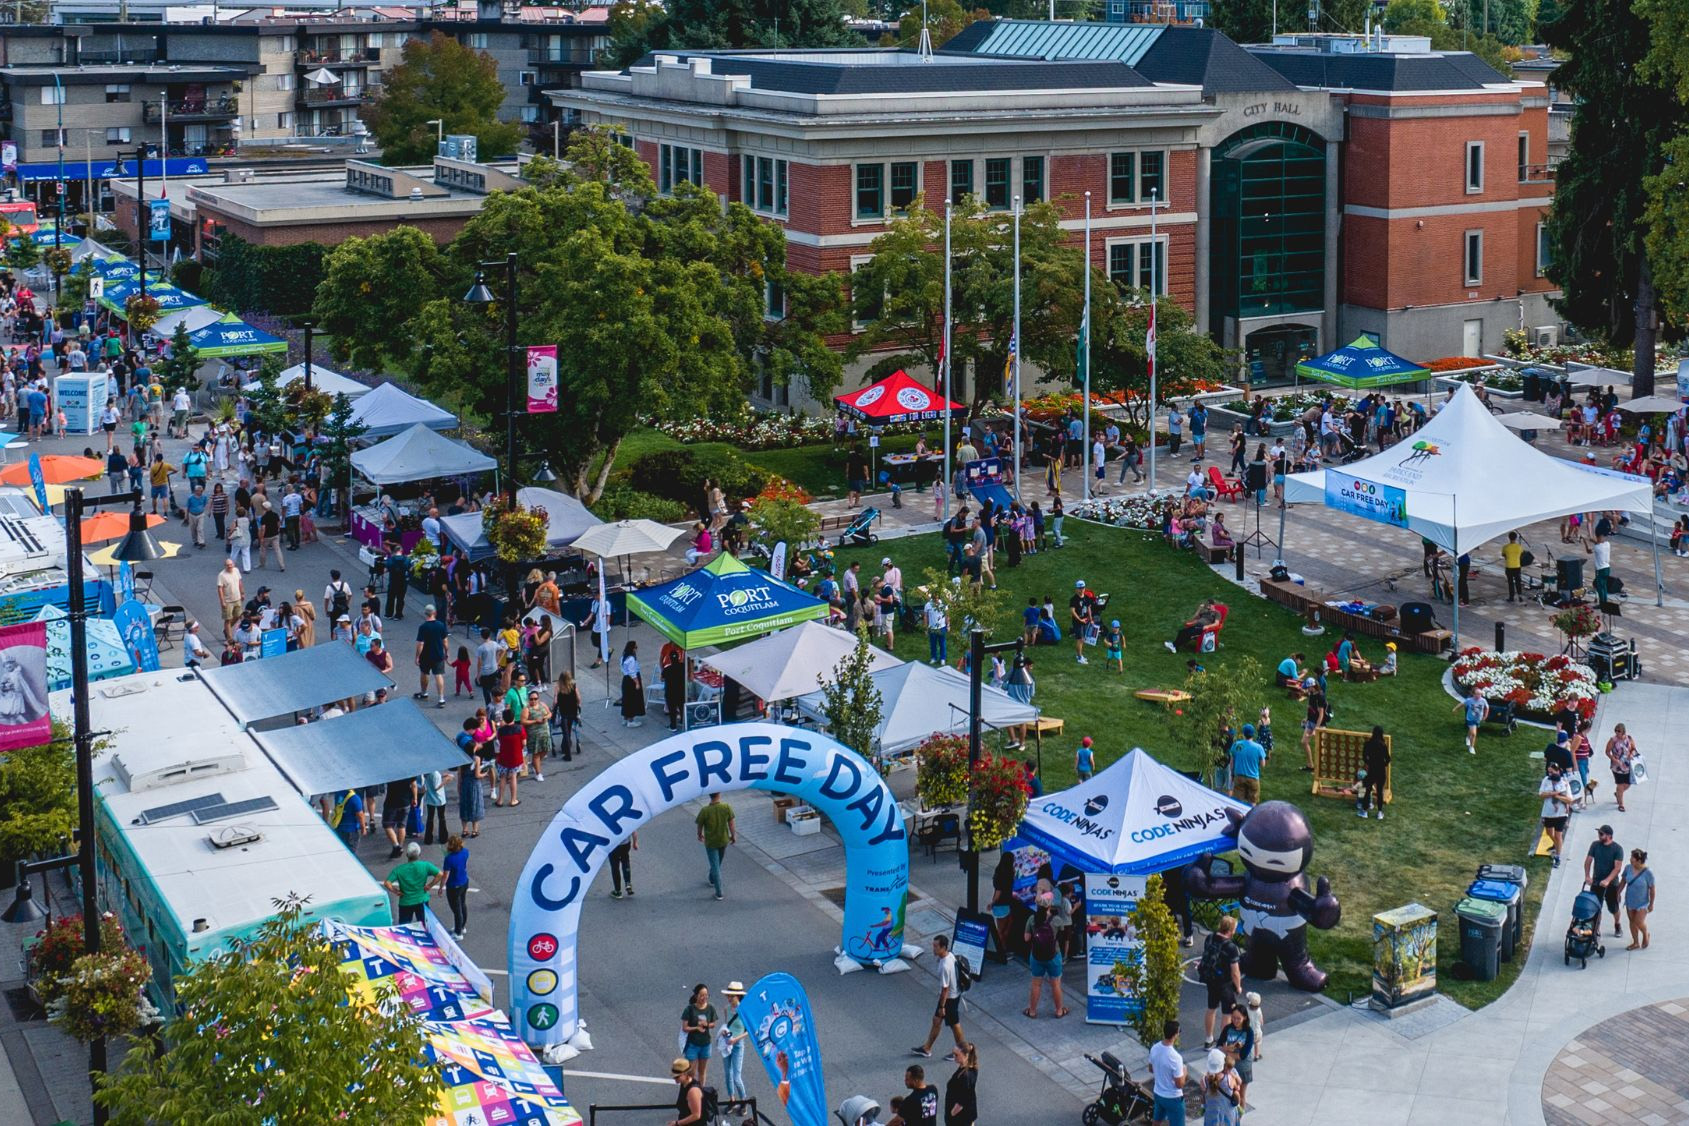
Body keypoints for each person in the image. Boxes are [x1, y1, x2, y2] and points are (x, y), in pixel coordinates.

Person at [912, 934, 965, 1057]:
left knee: (954, 1024)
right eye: (933, 945)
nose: (933, 949)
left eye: (936, 946)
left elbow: (945, 989)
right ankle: (927, 1048)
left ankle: (961, 1051)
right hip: (953, 995)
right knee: (937, 1021)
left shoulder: (944, 966)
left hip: (949, 999)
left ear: (943, 947)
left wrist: (942, 1007)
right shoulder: (949, 956)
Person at [1200, 916, 1243, 1048]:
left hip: (1210, 979)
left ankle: (1208, 1039)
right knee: (1227, 1013)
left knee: (1211, 1008)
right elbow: (1235, 972)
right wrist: (1238, 986)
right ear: (1230, 930)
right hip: (1225, 983)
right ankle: (1222, 1043)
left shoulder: (1210, 938)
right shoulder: (1231, 947)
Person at [1022, 903, 1068, 1018]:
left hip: (1036, 956)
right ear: (1049, 907)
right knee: (1056, 984)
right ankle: (1059, 1011)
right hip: (1054, 955)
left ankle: (1032, 1011)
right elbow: (1063, 936)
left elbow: (1026, 938)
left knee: (1036, 984)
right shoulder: (1057, 920)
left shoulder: (1032, 919)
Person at [381, 841, 440, 925]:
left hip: (406, 901)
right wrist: (430, 885)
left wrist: (396, 891)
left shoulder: (399, 869)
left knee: (405, 925)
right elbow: (440, 874)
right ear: (419, 854)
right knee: (424, 924)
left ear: (407, 855)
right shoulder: (425, 866)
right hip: (422, 899)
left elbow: (387, 883)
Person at [1584, 824, 1626, 940]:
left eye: (1601, 834)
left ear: (1609, 836)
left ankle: (1617, 924)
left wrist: (1608, 880)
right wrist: (1587, 876)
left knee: (1613, 908)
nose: (1599, 835)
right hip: (1597, 882)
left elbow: (1617, 868)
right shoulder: (1595, 845)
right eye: (1599, 833)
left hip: (1611, 884)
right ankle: (1596, 928)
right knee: (1596, 907)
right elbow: (1588, 860)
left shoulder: (1617, 849)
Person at [697, 791, 736, 901]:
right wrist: (733, 836)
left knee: (715, 865)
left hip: (711, 842)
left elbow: (700, 825)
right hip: (723, 840)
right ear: (719, 794)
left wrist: (699, 835)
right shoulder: (726, 807)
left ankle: (719, 893)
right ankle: (712, 879)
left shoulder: (705, 810)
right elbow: (731, 824)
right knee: (717, 863)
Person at [1215, 1004, 1254, 1113]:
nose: (1235, 1021)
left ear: (1245, 1017)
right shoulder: (1228, 1028)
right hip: (1228, 1067)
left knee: (1241, 1095)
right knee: (1228, 1093)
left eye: (1238, 1018)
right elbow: (1218, 1046)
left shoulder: (1249, 1032)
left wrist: (1226, 1051)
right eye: (1233, 1017)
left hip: (1243, 1068)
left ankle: (1238, 1119)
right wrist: (1228, 1049)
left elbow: (1242, 1055)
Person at [1149, 1020, 1187, 1126]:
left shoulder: (1154, 1048)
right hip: (1173, 1098)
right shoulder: (1176, 1057)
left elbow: (1151, 1069)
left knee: (1156, 1121)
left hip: (1158, 1093)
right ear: (1175, 1035)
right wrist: (1184, 1071)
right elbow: (1179, 1084)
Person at [718, 982, 750, 1104]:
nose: (729, 998)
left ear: (738, 996)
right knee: (727, 1074)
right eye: (728, 996)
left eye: (732, 996)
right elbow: (727, 1025)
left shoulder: (744, 1011)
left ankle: (743, 1101)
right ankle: (732, 1099)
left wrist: (736, 1039)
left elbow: (748, 1032)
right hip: (727, 1044)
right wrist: (725, 1033)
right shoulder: (726, 1009)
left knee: (736, 1077)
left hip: (737, 1045)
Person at [680, 984, 718, 1087]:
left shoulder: (710, 1008)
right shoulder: (690, 1009)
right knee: (691, 1072)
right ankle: (688, 1093)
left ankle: (701, 1093)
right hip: (692, 1044)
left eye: (706, 995)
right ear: (696, 996)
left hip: (705, 1044)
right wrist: (696, 1028)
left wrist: (707, 1025)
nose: (704, 998)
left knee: (702, 1071)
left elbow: (713, 1024)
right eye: (702, 995)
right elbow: (685, 1027)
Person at [455, 718, 486, 839]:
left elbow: (459, 775)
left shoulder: (462, 760)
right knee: (475, 804)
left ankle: (464, 829)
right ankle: (475, 830)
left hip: (464, 783)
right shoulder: (476, 759)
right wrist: (485, 774)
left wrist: (459, 786)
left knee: (465, 806)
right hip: (474, 783)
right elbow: (478, 775)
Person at [1619, 849, 1655, 950]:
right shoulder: (1628, 868)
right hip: (1630, 900)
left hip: (1642, 903)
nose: (1630, 860)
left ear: (1639, 861)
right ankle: (1635, 942)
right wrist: (1618, 893)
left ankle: (1645, 933)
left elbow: (1652, 889)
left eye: (1632, 858)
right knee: (1631, 921)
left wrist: (1651, 904)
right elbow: (1623, 882)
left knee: (1638, 922)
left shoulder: (1648, 873)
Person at [414, 605, 449, 708]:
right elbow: (445, 641)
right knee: (438, 675)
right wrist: (446, 652)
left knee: (424, 673)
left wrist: (417, 656)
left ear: (426, 614)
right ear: (435, 613)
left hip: (425, 655)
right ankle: (441, 698)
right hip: (438, 654)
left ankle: (424, 693)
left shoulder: (423, 627)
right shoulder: (441, 625)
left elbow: (420, 644)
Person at [1539, 763, 1573, 868]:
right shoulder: (1546, 780)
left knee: (1558, 835)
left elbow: (1569, 799)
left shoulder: (1564, 783)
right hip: (1548, 813)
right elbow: (1541, 794)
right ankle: (1558, 846)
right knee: (1549, 833)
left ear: (1558, 771)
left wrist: (1557, 796)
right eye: (1548, 772)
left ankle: (1557, 856)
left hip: (1561, 814)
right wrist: (1551, 794)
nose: (1549, 774)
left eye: (1552, 772)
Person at [493, 708, 525, 808]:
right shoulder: (520, 729)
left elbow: (499, 741)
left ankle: (500, 800)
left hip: (503, 757)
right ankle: (513, 799)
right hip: (515, 757)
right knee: (513, 777)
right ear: (513, 717)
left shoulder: (501, 731)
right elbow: (524, 743)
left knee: (502, 777)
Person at [1227, 724, 1266, 805]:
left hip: (1239, 777)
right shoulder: (1259, 748)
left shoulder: (1237, 745)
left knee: (1237, 802)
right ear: (1253, 734)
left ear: (1243, 733)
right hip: (1253, 778)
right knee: (1252, 803)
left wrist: (1232, 774)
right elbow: (1263, 764)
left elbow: (1231, 762)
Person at [441, 835, 470, 939]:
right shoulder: (465, 852)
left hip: (453, 886)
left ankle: (458, 933)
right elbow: (465, 865)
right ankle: (461, 926)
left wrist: (441, 887)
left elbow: (446, 875)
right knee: (462, 904)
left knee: (456, 909)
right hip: (464, 881)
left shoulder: (449, 859)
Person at [1202, 1048, 1241, 1126]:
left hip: (1211, 1117)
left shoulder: (1204, 1080)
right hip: (1228, 1117)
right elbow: (1238, 1089)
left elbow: (1204, 1098)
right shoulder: (1230, 1078)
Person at [1358, 725, 1390, 820]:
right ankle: (1380, 813)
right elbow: (1388, 759)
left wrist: (1369, 762)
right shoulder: (1383, 745)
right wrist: (1383, 764)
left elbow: (1364, 756)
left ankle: (1364, 811)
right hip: (1381, 771)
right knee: (1380, 792)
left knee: (1367, 790)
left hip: (1372, 770)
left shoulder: (1368, 744)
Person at [943, 1042, 977, 1126]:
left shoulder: (965, 1077)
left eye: (956, 1055)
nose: (954, 1056)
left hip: (960, 1119)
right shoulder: (971, 1068)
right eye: (953, 1054)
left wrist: (951, 1115)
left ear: (966, 1055)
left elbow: (962, 1101)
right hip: (968, 1114)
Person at [1605, 723, 1637, 812]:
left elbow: (1634, 749)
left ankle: (1619, 794)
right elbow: (1607, 751)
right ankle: (1621, 804)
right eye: (1616, 731)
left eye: (1619, 731)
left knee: (1627, 784)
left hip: (1627, 765)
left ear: (1623, 731)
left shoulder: (1629, 738)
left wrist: (1631, 754)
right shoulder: (1613, 740)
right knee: (1620, 784)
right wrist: (1614, 759)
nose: (1617, 733)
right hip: (1617, 766)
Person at [669, 1058, 707, 1126]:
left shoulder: (693, 1091)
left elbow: (696, 1115)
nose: (675, 1079)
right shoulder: (684, 1083)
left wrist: (677, 1123)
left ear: (685, 1074)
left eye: (677, 1077)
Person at [217, 558, 244, 643]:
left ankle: (226, 630)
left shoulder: (236, 570)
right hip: (228, 601)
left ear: (233, 564)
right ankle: (229, 638)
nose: (230, 566)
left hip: (237, 598)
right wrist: (222, 601)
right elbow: (220, 589)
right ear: (225, 566)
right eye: (228, 565)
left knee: (238, 616)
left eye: (231, 564)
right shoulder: (221, 575)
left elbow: (239, 582)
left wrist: (242, 592)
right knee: (228, 619)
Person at [1454, 688, 1489, 756]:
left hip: (1478, 719)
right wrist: (1455, 709)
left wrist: (1485, 715)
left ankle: (1467, 737)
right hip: (1470, 719)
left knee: (1471, 730)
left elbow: (1487, 707)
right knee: (1474, 733)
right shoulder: (1469, 700)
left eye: (1480, 694)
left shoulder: (1483, 700)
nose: (1479, 695)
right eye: (1477, 694)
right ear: (1473, 694)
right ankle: (1471, 747)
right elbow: (1462, 704)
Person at [620, 641, 645, 728]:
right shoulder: (631, 659)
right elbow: (632, 672)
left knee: (626, 699)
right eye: (635, 647)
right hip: (631, 681)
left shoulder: (624, 657)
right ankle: (631, 720)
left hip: (625, 679)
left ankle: (625, 718)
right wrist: (637, 682)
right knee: (632, 699)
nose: (636, 649)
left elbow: (623, 670)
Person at [420, 769, 448, 845]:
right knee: (441, 818)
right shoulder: (435, 773)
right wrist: (447, 780)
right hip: (439, 799)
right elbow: (436, 787)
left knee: (430, 819)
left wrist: (441, 776)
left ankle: (428, 839)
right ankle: (443, 838)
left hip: (430, 799)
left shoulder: (427, 772)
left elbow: (431, 782)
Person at [1069, 580, 1093, 666]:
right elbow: (1072, 611)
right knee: (1080, 639)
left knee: (1082, 639)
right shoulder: (1073, 599)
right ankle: (1079, 657)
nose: (1081, 590)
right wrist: (1080, 619)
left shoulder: (1087, 598)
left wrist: (1091, 619)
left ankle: (1079, 655)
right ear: (1076, 589)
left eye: (1082, 588)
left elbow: (1089, 608)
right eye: (1079, 588)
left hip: (1085, 621)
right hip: (1077, 622)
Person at [608, 830, 637, 898]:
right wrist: (635, 843)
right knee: (625, 861)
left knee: (615, 867)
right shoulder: (627, 819)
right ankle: (628, 883)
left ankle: (617, 891)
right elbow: (634, 832)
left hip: (614, 845)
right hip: (626, 844)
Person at [1501, 531, 1526, 601]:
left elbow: (1503, 555)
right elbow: (1522, 553)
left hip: (1509, 566)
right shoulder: (1519, 547)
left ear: (1509, 538)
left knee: (1510, 583)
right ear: (1516, 538)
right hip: (1517, 566)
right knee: (1518, 582)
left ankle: (1511, 597)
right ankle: (1520, 597)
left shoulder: (1505, 547)